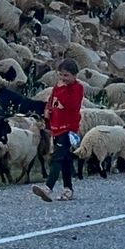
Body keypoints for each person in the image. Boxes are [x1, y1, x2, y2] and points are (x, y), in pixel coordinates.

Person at [33, 59, 84, 202]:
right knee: (66, 159)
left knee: (57, 157)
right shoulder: (58, 86)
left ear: (74, 76)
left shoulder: (77, 88)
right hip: (56, 126)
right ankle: (68, 189)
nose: (63, 79)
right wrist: (48, 110)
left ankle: (48, 188)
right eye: (61, 75)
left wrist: (62, 89)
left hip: (68, 128)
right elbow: (52, 100)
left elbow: (70, 104)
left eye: (66, 75)